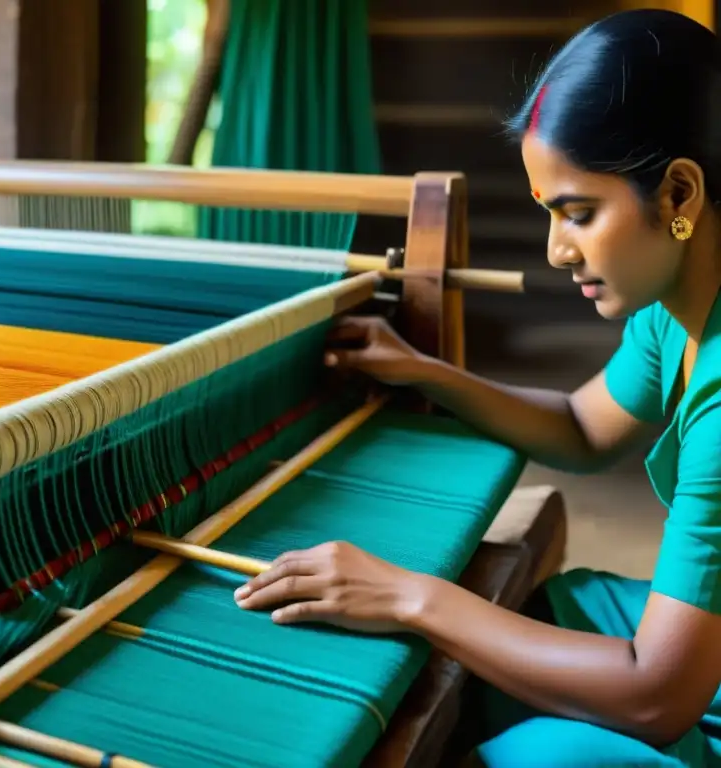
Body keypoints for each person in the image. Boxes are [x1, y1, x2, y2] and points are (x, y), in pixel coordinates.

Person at [233, 8, 721, 767]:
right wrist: (424, 371)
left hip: (683, 687)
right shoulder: (679, 313)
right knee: (553, 608)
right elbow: (585, 427)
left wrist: (410, 597)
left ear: (680, 196)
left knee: (531, 757)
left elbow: (656, 695)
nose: (559, 250)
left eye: (580, 214)